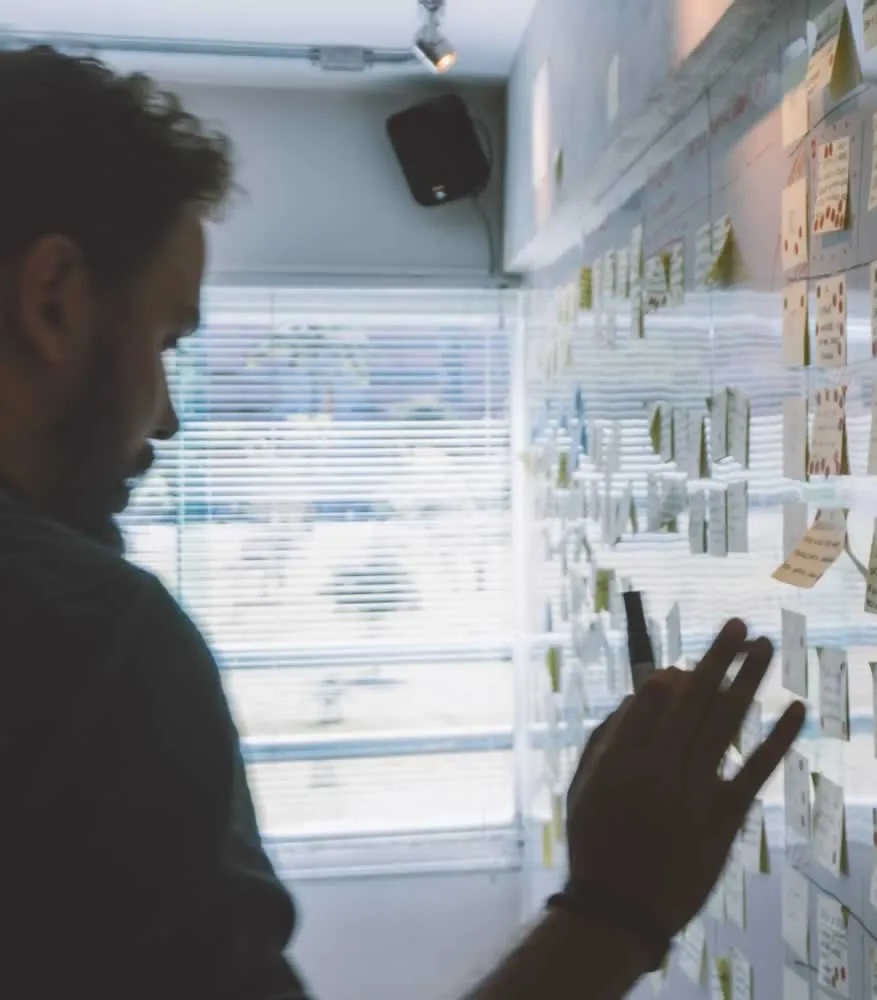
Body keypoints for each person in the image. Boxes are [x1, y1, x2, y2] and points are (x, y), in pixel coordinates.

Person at [0, 46, 806, 1000]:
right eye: (164, 341)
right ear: (54, 302)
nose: (169, 415)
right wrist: (620, 905)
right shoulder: (89, 638)